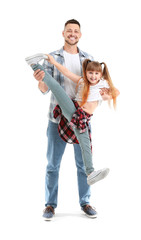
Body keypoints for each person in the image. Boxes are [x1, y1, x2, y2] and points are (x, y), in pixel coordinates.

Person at [30, 19, 99, 220]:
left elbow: (93, 85)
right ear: (63, 33)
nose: (72, 33)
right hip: (56, 118)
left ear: (80, 34)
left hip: (81, 119)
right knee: (53, 164)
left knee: (83, 164)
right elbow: (44, 90)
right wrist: (40, 80)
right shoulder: (52, 57)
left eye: (75, 31)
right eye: (69, 30)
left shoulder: (88, 58)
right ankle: (50, 205)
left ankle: (85, 202)